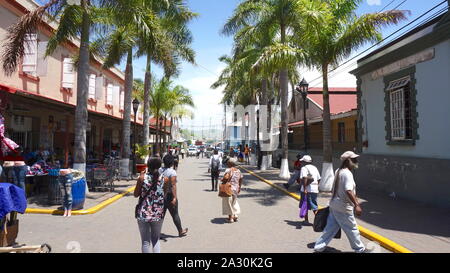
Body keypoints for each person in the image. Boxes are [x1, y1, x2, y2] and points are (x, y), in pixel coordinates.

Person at [314, 151, 366, 253]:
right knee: (352, 229)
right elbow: (348, 190)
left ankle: (319, 247)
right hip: (343, 207)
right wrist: (357, 205)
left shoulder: (338, 170)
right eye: (354, 159)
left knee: (330, 228)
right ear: (348, 161)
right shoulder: (347, 174)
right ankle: (360, 249)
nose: (356, 161)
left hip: (334, 205)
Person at [134, 157, 165, 253]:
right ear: (160, 166)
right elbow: (164, 193)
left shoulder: (142, 178)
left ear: (148, 166)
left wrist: (141, 176)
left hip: (143, 213)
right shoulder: (165, 179)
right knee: (155, 239)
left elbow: (136, 194)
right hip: (158, 213)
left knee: (145, 241)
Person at [161, 154, 188, 237]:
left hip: (160, 195)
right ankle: (180, 231)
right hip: (169, 196)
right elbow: (173, 185)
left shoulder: (159, 170)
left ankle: (155, 232)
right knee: (175, 214)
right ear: (172, 163)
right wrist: (174, 198)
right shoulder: (172, 172)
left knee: (160, 215)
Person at [298, 155, 321, 224]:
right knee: (313, 205)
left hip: (307, 190)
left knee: (305, 205)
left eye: (302, 161)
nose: (301, 163)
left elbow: (304, 178)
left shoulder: (304, 168)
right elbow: (319, 179)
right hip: (314, 189)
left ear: (305, 162)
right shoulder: (315, 168)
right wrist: (316, 186)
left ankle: (315, 221)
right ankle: (309, 220)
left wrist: (305, 189)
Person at [221, 158, 243, 223]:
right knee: (234, 202)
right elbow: (241, 179)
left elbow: (225, 178)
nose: (227, 164)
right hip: (236, 189)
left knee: (228, 203)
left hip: (229, 188)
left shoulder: (228, 170)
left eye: (228, 163)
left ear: (230, 164)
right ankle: (235, 215)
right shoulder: (238, 170)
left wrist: (222, 180)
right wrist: (239, 187)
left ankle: (230, 218)